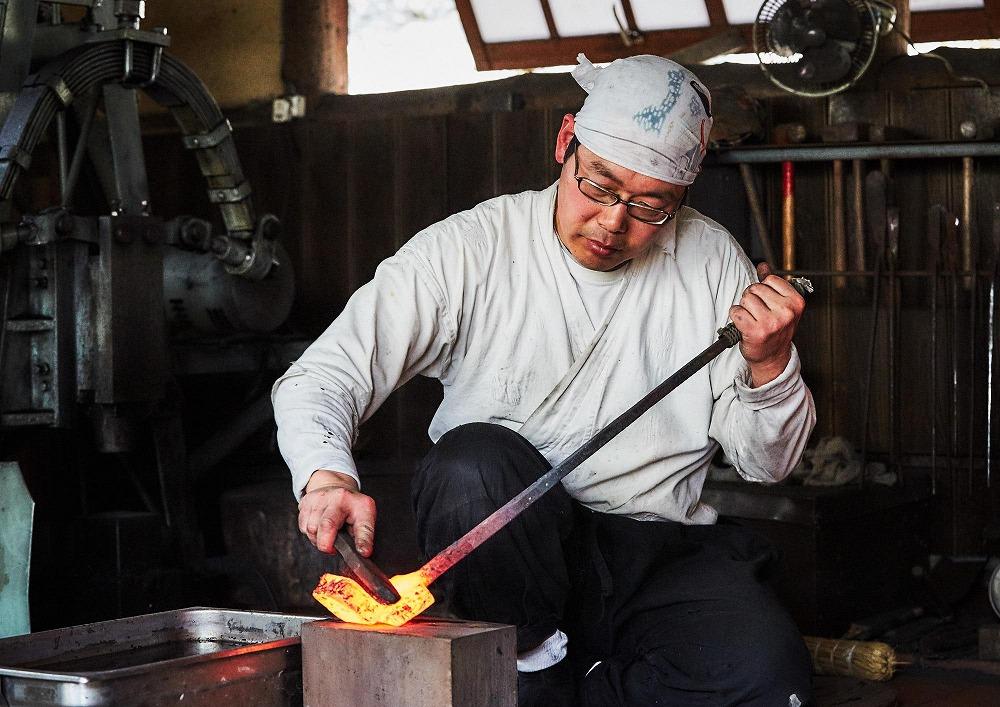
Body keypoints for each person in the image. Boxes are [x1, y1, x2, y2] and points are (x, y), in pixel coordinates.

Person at [273, 53, 816, 706]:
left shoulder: (714, 264)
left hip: (656, 551)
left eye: (651, 206)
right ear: (566, 142)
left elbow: (767, 465)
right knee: (471, 465)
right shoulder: (472, 248)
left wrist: (769, 363)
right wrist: (327, 477)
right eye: (599, 186)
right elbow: (324, 375)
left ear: (681, 197)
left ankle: (558, 689)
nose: (614, 222)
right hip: (513, 547)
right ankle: (531, 662)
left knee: (771, 683)